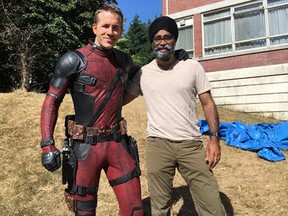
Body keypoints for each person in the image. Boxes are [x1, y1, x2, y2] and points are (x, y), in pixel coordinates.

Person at [40, 4, 145, 216]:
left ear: (121, 31)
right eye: (105, 26)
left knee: (135, 210)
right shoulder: (73, 60)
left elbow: (144, 75)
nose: (110, 32)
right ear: (94, 27)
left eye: (116, 28)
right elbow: (51, 101)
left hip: (118, 144)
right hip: (85, 149)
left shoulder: (124, 61)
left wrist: (169, 62)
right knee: (84, 212)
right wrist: (47, 145)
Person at [123, 16, 226, 216]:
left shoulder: (192, 67)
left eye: (167, 37)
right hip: (158, 146)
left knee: (212, 206)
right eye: (157, 38)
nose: (162, 42)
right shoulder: (143, 73)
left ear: (174, 40)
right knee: (159, 207)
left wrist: (214, 139)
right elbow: (121, 100)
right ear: (152, 42)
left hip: (191, 145)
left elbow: (208, 103)